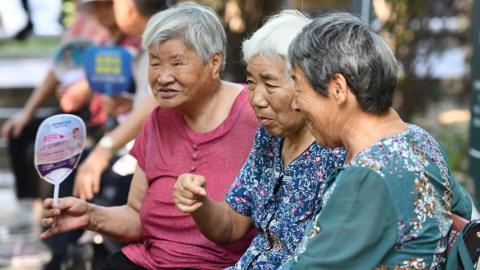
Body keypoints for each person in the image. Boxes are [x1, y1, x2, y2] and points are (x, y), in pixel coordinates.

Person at [41, 3, 259, 269]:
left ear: (214, 63)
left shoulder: (256, 113)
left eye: (177, 63)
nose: (162, 77)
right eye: (155, 62)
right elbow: (137, 216)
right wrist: (89, 215)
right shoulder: (157, 120)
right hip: (151, 261)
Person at [280, 12, 473, 269]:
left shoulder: (369, 175)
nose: (294, 104)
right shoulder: (421, 140)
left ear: (337, 88)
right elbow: (463, 211)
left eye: (298, 86)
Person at [173, 10, 345, 269]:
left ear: (305, 82)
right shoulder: (269, 138)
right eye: (252, 83)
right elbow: (231, 225)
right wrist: (199, 203)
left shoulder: (336, 153)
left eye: (271, 84)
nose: (257, 99)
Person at [1, 0, 113, 201]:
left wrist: (86, 89)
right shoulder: (83, 19)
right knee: (21, 134)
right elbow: (58, 65)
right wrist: (27, 112)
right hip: (73, 107)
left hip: (99, 115)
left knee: (50, 153)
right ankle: (34, 207)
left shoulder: (121, 30)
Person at [72, 0, 170, 201]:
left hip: (158, 159)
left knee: (103, 183)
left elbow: (157, 99)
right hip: (141, 150)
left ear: (128, 6)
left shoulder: (168, 38)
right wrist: (131, 103)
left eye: (113, 4)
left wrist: (104, 149)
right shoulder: (146, 41)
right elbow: (157, 100)